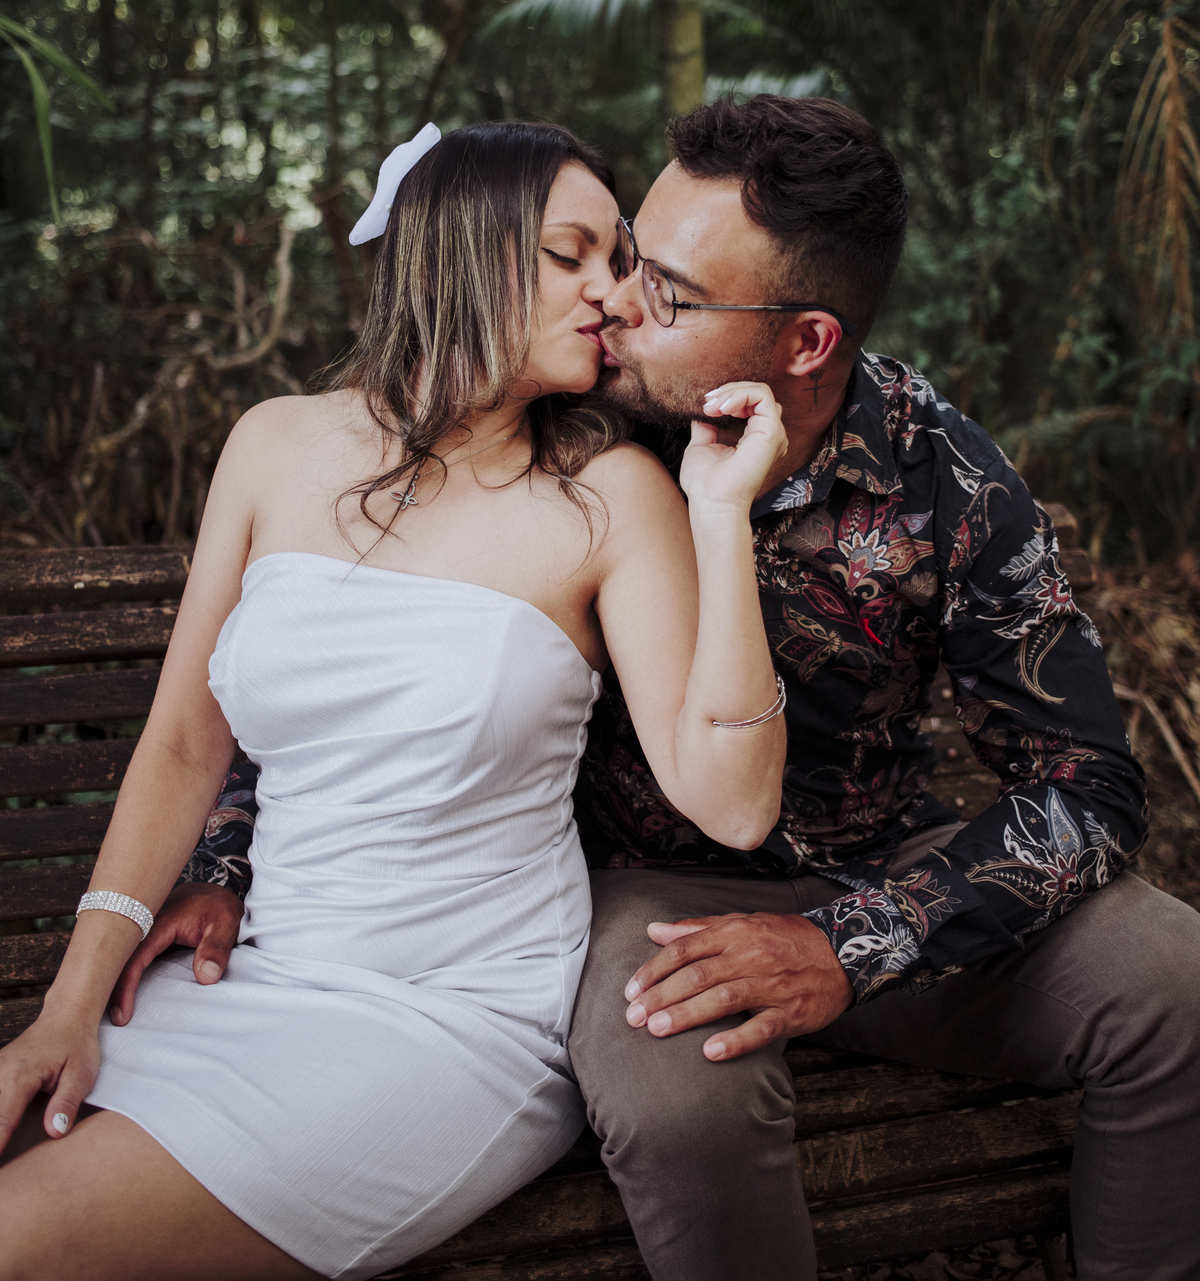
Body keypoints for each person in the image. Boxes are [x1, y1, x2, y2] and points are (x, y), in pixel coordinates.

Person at [95, 98, 1200, 1281]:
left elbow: (1087, 786)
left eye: (663, 289)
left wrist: (850, 944)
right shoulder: (577, 418)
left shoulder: (944, 481)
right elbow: (358, 643)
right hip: (638, 885)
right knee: (680, 1099)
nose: (616, 301)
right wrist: (227, 856)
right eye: (626, 256)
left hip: (876, 863)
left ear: (807, 343)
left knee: (1177, 982)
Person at [0, 119, 794, 1281]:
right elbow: (180, 747)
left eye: (619, 260)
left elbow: (733, 805)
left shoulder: (612, 496)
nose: (613, 292)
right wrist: (68, 1008)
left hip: (451, 1021)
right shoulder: (273, 446)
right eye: (570, 254)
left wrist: (718, 517)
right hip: (243, 980)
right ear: (456, 252)